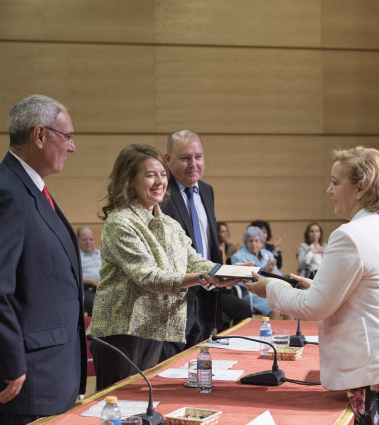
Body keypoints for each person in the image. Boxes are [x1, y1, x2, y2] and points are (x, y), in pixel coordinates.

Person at [245, 146, 379, 425]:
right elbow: (371, 292)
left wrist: (269, 288)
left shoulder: (349, 235)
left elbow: (315, 307)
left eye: (336, 183)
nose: (329, 190)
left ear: (360, 188)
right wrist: (317, 286)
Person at [0, 95, 86, 425]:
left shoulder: (29, 187)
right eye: (67, 136)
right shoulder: (8, 193)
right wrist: (12, 361)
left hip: (50, 373)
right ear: (40, 135)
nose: (71, 147)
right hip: (26, 382)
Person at [87, 144, 236, 390]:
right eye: (150, 175)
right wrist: (203, 277)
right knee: (120, 405)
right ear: (130, 181)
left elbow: (194, 259)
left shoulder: (168, 223)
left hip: (154, 328)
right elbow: (149, 277)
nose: (159, 181)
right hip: (122, 332)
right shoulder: (120, 222)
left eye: (163, 174)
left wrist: (226, 272)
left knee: (145, 404)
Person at [161, 130, 249, 355]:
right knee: (175, 362)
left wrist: (223, 272)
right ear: (167, 159)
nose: (193, 164)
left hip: (207, 291)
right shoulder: (161, 194)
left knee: (200, 355)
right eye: (185, 158)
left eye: (198, 157)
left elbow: (209, 241)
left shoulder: (207, 191)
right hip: (177, 297)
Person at [230, 226, 280, 316]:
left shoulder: (268, 254)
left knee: (288, 304)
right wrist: (263, 271)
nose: (253, 243)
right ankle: (272, 330)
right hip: (251, 292)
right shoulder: (238, 256)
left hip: (270, 290)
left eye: (256, 241)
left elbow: (277, 274)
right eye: (250, 241)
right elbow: (242, 280)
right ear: (246, 243)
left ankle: (288, 329)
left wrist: (274, 273)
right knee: (275, 306)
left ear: (261, 243)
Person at [77, 226, 100, 316]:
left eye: (90, 239)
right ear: (78, 240)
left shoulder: (101, 254)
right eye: (84, 239)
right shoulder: (75, 257)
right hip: (86, 289)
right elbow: (72, 277)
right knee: (95, 302)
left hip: (104, 286)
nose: (88, 242)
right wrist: (91, 281)